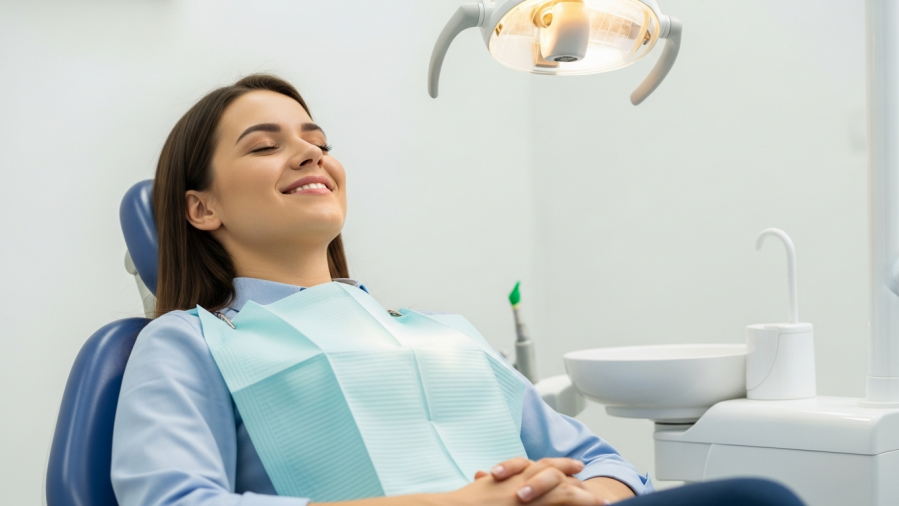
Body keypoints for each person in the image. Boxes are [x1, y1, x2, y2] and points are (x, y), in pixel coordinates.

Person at [110, 74, 804, 506]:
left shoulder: (439, 332)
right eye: (265, 146)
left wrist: (577, 495)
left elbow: (604, 461)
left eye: (317, 140)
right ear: (202, 208)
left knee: (753, 499)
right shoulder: (189, 341)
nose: (310, 152)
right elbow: (173, 501)